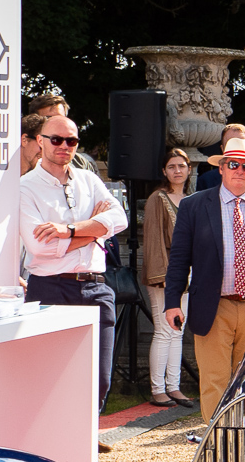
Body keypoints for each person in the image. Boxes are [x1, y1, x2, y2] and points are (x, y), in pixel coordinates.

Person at [162, 133, 245, 412]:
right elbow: (179, 259)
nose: (239, 171)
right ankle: (217, 445)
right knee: (215, 381)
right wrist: (172, 302)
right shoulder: (194, 206)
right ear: (221, 167)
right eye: (233, 164)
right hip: (213, 306)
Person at [19, 113, 128, 431]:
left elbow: (119, 219)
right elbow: (41, 249)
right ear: (40, 142)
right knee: (50, 378)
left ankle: (82, 439)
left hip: (96, 287)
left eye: (71, 140)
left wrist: (68, 231)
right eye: (56, 139)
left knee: (100, 378)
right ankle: (55, 444)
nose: (64, 146)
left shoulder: (89, 181)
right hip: (50, 289)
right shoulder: (25, 188)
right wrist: (95, 230)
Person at [141, 147, 196, 410]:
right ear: (164, 171)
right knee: (164, 332)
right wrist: (161, 276)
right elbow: (152, 241)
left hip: (188, 274)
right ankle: (157, 389)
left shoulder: (192, 199)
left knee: (178, 331)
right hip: (165, 275)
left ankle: (174, 387)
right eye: (172, 166)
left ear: (189, 169)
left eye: (181, 166)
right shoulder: (157, 199)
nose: (177, 171)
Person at [27, 93, 98, 171]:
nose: (56, 122)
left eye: (60, 118)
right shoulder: (23, 159)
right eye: (48, 118)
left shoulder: (81, 163)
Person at [199, 124, 245, 195]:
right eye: (233, 165)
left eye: (242, 143)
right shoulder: (206, 180)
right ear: (222, 149)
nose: (240, 171)